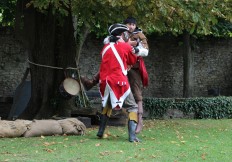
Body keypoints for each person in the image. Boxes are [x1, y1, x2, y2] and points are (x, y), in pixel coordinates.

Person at [97, 23, 140, 142]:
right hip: (118, 81)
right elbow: (132, 59)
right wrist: (134, 50)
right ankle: (132, 136)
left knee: (107, 105)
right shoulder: (124, 46)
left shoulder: (105, 48)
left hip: (105, 82)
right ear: (122, 34)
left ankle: (100, 132)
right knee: (133, 106)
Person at [123, 16, 149, 134]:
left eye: (133, 24)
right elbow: (108, 42)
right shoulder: (120, 34)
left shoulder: (139, 35)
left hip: (134, 67)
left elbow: (146, 51)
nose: (131, 26)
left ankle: (139, 120)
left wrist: (137, 50)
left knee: (136, 93)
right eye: (129, 24)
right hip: (121, 65)